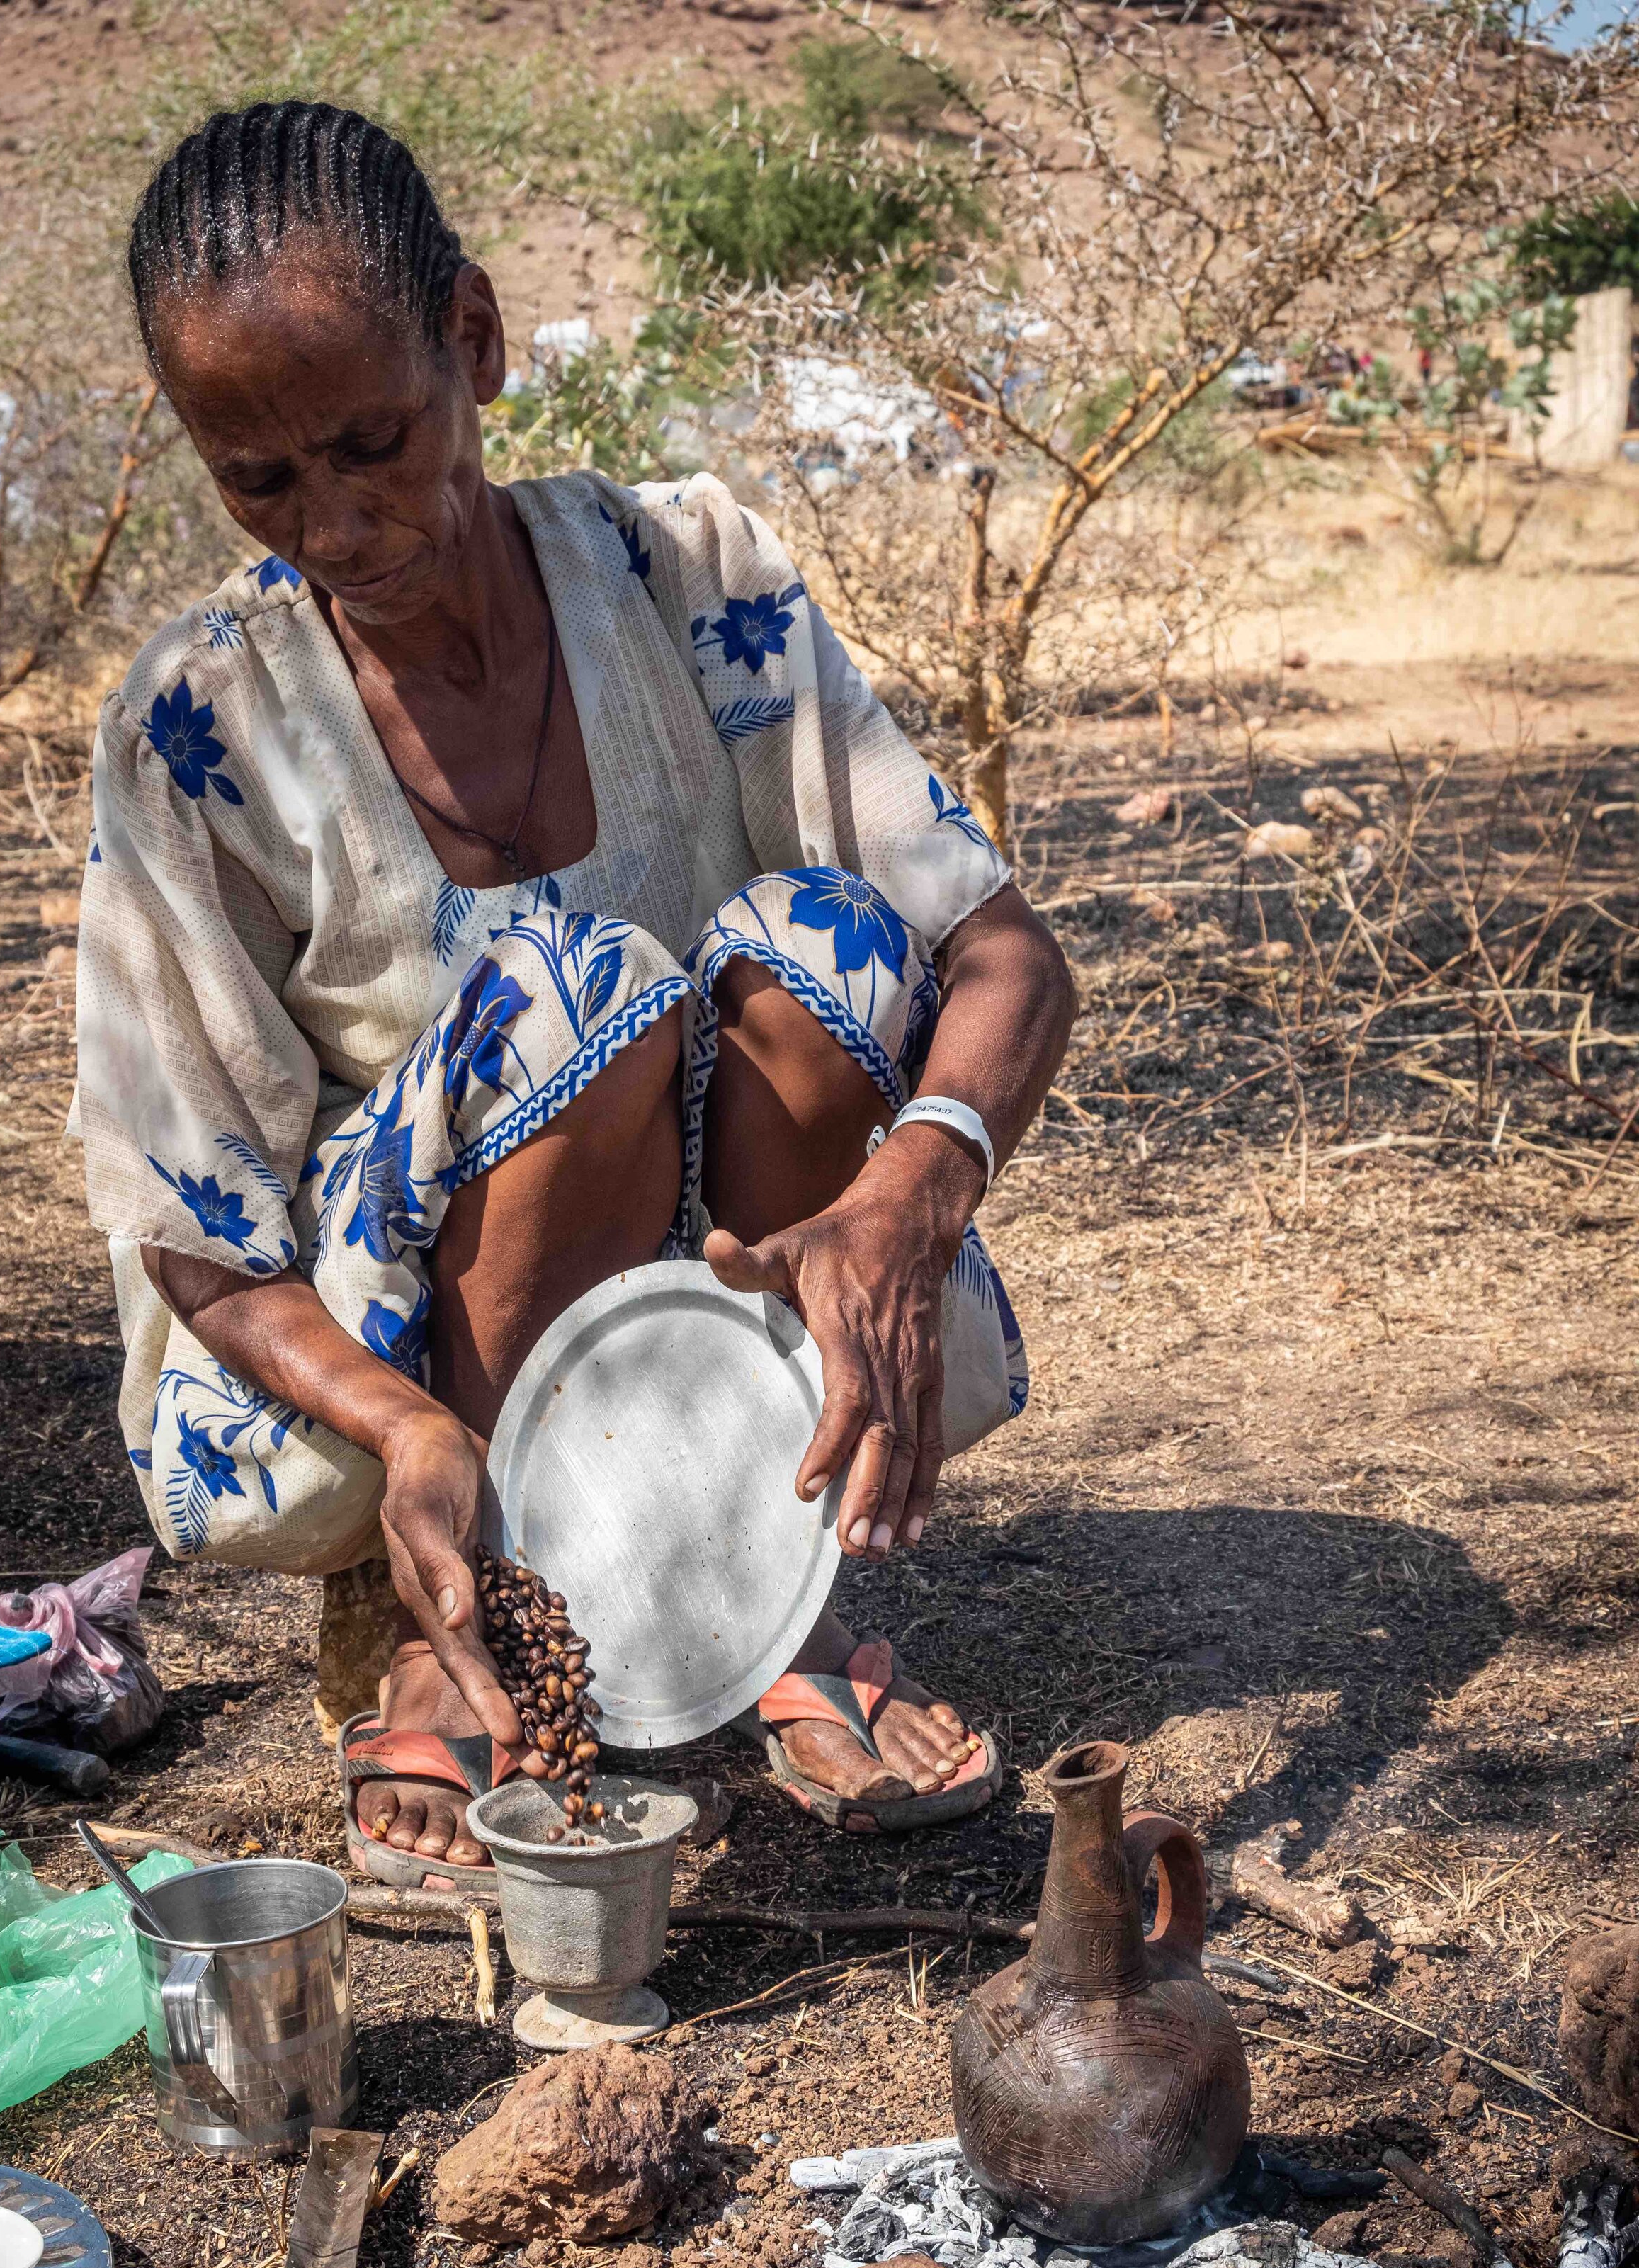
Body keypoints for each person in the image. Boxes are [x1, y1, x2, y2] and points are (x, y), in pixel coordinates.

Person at [76, 101, 1076, 1889]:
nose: (336, 521)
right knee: (570, 987)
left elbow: (1000, 951)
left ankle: (766, 1597)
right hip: (381, 1352)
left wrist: (917, 1184)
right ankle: (465, 1620)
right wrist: (404, 1431)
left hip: (706, 1318)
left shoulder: (683, 573)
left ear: (473, 340)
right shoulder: (198, 723)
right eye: (261, 480)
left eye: (373, 443)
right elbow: (194, 1213)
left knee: (839, 940)